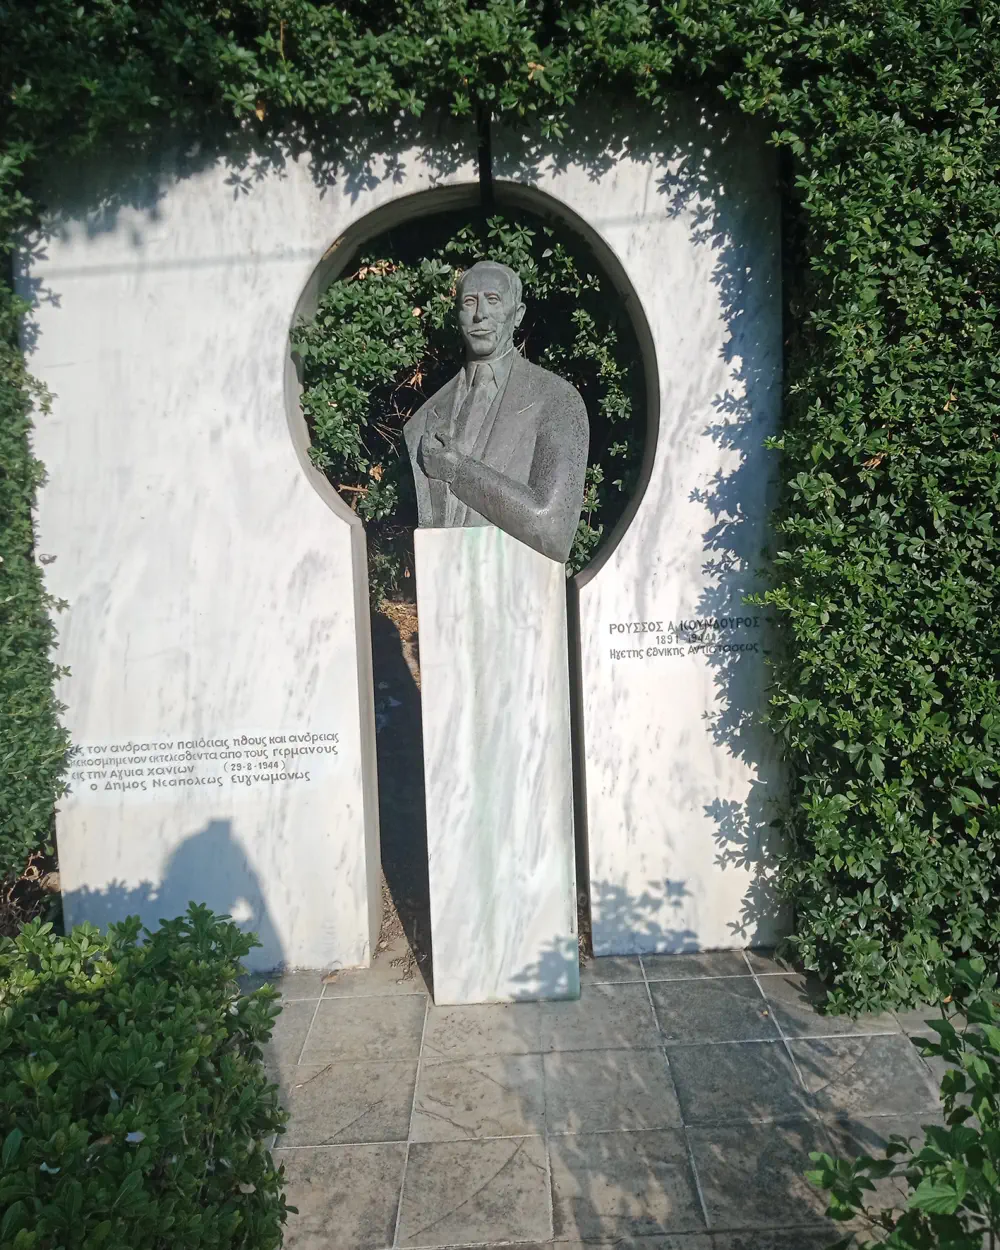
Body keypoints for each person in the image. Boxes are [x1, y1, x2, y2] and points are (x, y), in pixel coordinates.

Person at [403, 259, 589, 563]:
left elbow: (553, 530)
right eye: (469, 302)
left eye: (493, 300)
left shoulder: (557, 400)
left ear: (518, 315)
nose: (480, 314)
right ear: (458, 314)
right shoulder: (422, 421)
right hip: (445, 575)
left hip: (522, 580)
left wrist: (459, 471)